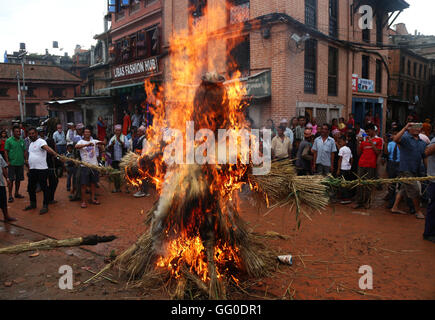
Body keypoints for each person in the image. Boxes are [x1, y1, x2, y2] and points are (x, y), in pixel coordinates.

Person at [391, 122, 428, 219]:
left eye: (418, 127)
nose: (416, 129)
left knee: (403, 188)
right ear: (409, 129)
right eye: (414, 127)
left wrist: (427, 171)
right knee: (415, 190)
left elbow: (424, 157)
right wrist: (405, 127)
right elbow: (395, 139)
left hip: (415, 170)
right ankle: (418, 211)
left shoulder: (422, 143)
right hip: (405, 169)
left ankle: (394, 207)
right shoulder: (406, 138)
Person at [24, 127, 58, 215]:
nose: (31, 135)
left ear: (36, 133)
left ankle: (45, 206)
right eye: (30, 134)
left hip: (42, 169)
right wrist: (27, 162)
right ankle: (33, 204)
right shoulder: (31, 144)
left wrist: (55, 154)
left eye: (33, 133)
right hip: (33, 169)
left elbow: (47, 148)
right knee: (31, 188)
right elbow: (29, 154)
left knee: (44, 188)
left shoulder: (41, 141)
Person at [352, 123, 383, 209]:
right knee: (360, 183)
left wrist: (371, 143)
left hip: (371, 164)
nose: (367, 133)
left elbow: (378, 152)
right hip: (361, 163)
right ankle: (359, 201)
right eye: (366, 132)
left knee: (369, 184)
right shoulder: (364, 141)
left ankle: (367, 202)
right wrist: (359, 142)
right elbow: (358, 153)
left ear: (373, 130)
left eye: (369, 131)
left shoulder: (379, 140)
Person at [75, 127, 105, 209]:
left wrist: (103, 142)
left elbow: (102, 143)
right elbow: (76, 146)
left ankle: (92, 199)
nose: (87, 133)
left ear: (90, 133)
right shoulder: (81, 141)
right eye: (86, 132)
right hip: (85, 166)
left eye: (89, 132)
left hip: (94, 166)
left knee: (93, 184)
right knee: (84, 185)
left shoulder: (94, 141)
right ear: (83, 134)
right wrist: (87, 144)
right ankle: (83, 201)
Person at [4, 125, 26, 203]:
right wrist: (7, 161)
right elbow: (6, 151)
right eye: (16, 131)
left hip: (20, 163)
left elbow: (24, 151)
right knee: (11, 180)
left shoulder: (22, 141)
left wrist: (25, 160)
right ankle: (10, 195)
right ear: (13, 132)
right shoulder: (9, 141)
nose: (18, 133)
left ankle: (16, 193)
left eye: (19, 131)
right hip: (12, 164)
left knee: (18, 179)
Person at [108, 125, 129, 193]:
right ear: (114, 131)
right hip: (115, 159)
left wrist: (120, 141)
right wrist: (112, 144)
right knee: (116, 174)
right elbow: (108, 147)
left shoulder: (124, 137)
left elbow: (127, 146)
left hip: (123, 159)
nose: (117, 132)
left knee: (124, 174)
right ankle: (117, 188)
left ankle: (126, 188)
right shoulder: (112, 138)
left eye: (119, 130)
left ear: (121, 131)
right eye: (116, 130)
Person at [423, 137, 435, 243]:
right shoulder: (434, 140)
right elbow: (427, 152)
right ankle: (429, 233)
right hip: (434, 180)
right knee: (433, 208)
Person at [336, 135, 353, 204]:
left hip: (343, 168)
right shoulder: (348, 149)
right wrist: (350, 166)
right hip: (347, 168)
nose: (340, 142)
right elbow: (352, 159)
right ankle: (345, 197)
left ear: (344, 141)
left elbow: (340, 160)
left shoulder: (342, 149)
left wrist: (338, 169)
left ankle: (346, 198)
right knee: (346, 183)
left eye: (341, 141)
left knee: (343, 183)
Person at [0, 154, 15, 222]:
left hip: (0, 183)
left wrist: (7, 178)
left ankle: (6, 216)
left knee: (3, 200)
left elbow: (3, 167)